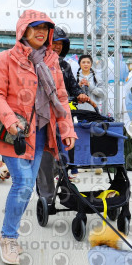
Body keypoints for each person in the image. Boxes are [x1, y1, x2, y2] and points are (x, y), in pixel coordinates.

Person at [0, 10, 77, 265]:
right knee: (24, 183)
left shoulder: (52, 61)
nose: (41, 32)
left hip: (41, 133)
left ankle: (9, 233)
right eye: (35, 27)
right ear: (23, 30)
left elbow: (61, 98)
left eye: (45, 28)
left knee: (26, 188)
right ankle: (8, 237)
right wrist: (10, 120)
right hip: (14, 135)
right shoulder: (6, 58)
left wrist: (67, 129)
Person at [36, 28, 91, 202]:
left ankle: (61, 186)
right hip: (42, 117)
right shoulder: (37, 63)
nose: (58, 47)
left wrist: (80, 94)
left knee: (63, 156)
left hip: (61, 117)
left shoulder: (64, 65)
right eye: (55, 43)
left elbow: (73, 88)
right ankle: (47, 197)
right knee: (45, 157)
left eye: (61, 44)